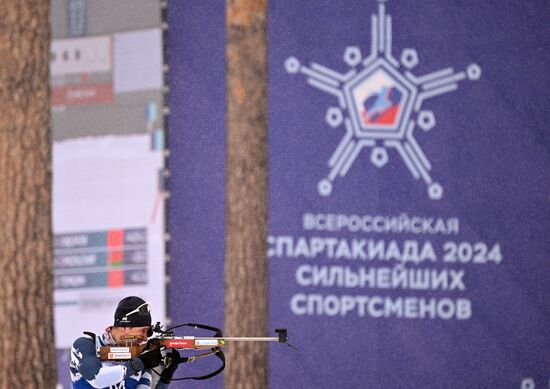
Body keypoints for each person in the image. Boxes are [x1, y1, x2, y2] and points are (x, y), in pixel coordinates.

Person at [70, 296, 182, 388]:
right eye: (142, 331)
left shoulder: (139, 355)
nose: (144, 338)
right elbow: (97, 379)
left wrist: (165, 378)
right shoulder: (85, 346)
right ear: (124, 326)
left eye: (147, 333)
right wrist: (139, 364)